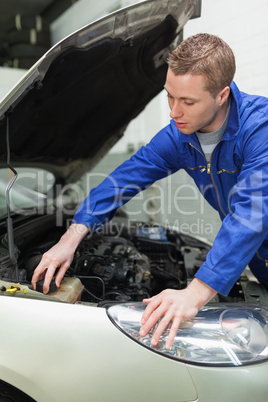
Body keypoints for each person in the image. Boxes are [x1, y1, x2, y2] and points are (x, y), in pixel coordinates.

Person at [32, 33, 268, 349]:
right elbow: (124, 178)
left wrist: (196, 293)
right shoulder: (180, 136)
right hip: (258, 260)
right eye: (170, 96)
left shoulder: (260, 129)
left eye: (188, 101)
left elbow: (251, 215)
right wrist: (72, 235)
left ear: (222, 95)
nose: (174, 112)